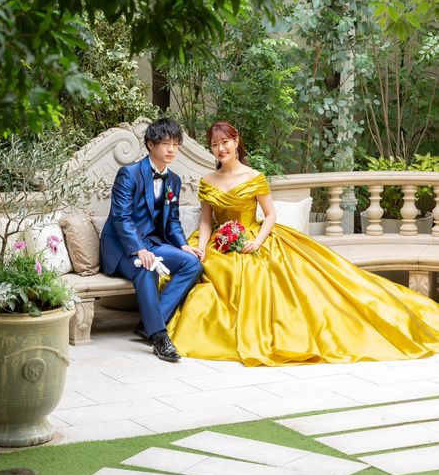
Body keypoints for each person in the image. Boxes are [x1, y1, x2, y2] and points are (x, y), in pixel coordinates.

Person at [168, 120, 439, 366]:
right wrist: (202, 247)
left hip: (255, 237)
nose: (220, 149)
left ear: (236, 142)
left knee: (264, 273)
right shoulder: (207, 181)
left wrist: (258, 242)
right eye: (214, 145)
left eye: (225, 142)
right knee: (209, 269)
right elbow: (206, 221)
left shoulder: (254, 177)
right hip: (220, 241)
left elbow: (270, 215)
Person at [100, 118, 203, 362]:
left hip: (154, 243)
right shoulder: (129, 173)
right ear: (150, 144)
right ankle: (158, 336)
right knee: (146, 268)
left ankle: (149, 323)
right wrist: (138, 249)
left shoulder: (174, 180)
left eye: (175, 144)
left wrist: (183, 245)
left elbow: (172, 221)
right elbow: (121, 217)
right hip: (122, 248)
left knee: (192, 263)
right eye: (166, 143)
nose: (171, 150)